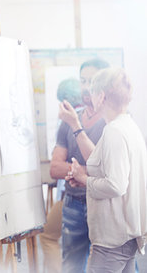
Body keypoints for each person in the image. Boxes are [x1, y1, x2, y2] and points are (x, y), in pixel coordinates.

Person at [66, 68, 147, 273]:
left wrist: (84, 178)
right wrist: (85, 178)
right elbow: (116, 173)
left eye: (92, 92)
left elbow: (116, 185)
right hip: (125, 235)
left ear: (101, 96)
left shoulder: (114, 131)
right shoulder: (128, 126)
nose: (89, 96)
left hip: (112, 239)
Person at [48, 58, 109, 273]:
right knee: (71, 267)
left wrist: (86, 174)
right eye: (83, 80)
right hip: (73, 204)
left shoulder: (113, 122)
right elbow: (55, 168)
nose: (86, 86)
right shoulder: (69, 118)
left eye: (91, 81)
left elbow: (109, 171)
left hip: (103, 206)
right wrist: (85, 172)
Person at [39, 77, 83, 273]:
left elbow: (56, 168)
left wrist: (82, 173)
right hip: (87, 196)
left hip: (74, 197)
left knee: (48, 236)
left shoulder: (68, 123)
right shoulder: (104, 119)